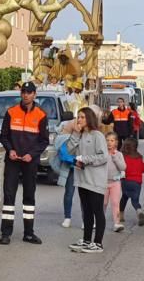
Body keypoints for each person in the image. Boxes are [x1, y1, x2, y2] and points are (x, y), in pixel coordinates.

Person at [0, 81, 49, 245]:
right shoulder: (11, 112)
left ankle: (29, 233)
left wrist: (32, 155)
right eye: (23, 92)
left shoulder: (41, 115)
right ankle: (6, 233)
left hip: (30, 161)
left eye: (29, 92)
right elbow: (4, 136)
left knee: (29, 196)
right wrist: (10, 150)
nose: (26, 95)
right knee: (9, 196)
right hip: (13, 160)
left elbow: (43, 141)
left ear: (35, 94)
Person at [67, 107, 109, 253]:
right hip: (81, 179)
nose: (79, 120)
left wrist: (85, 160)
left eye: (82, 117)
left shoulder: (97, 135)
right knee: (86, 211)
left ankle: (98, 243)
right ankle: (86, 240)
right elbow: (70, 150)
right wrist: (75, 134)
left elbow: (103, 157)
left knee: (97, 210)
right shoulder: (78, 135)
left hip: (95, 180)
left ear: (89, 118)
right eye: (78, 117)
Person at [53, 119, 77, 227]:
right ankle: (67, 217)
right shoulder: (64, 137)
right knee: (69, 193)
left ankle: (87, 219)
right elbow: (64, 154)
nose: (78, 122)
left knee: (85, 196)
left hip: (84, 168)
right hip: (72, 168)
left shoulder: (87, 135)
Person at [119, 137, 144, 226]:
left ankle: (121, 215)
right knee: (135, 200)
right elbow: (143, 169)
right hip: (137, 182)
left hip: (125, 181)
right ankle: (139, 211)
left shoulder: (123, 157)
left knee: (124, 197)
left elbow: (121, 168)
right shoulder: (139, 157)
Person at [104, 133, 126, 232]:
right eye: (107, 140)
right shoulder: (102, 153)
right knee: (102, 203)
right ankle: (100, 220)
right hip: (103, 183)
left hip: (115, 183)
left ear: (116, 142)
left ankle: (117, 223)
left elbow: (123, 167)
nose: (109, 143)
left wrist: (115, 158)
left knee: (115, 202)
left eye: (112, 140)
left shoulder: (119, 154)